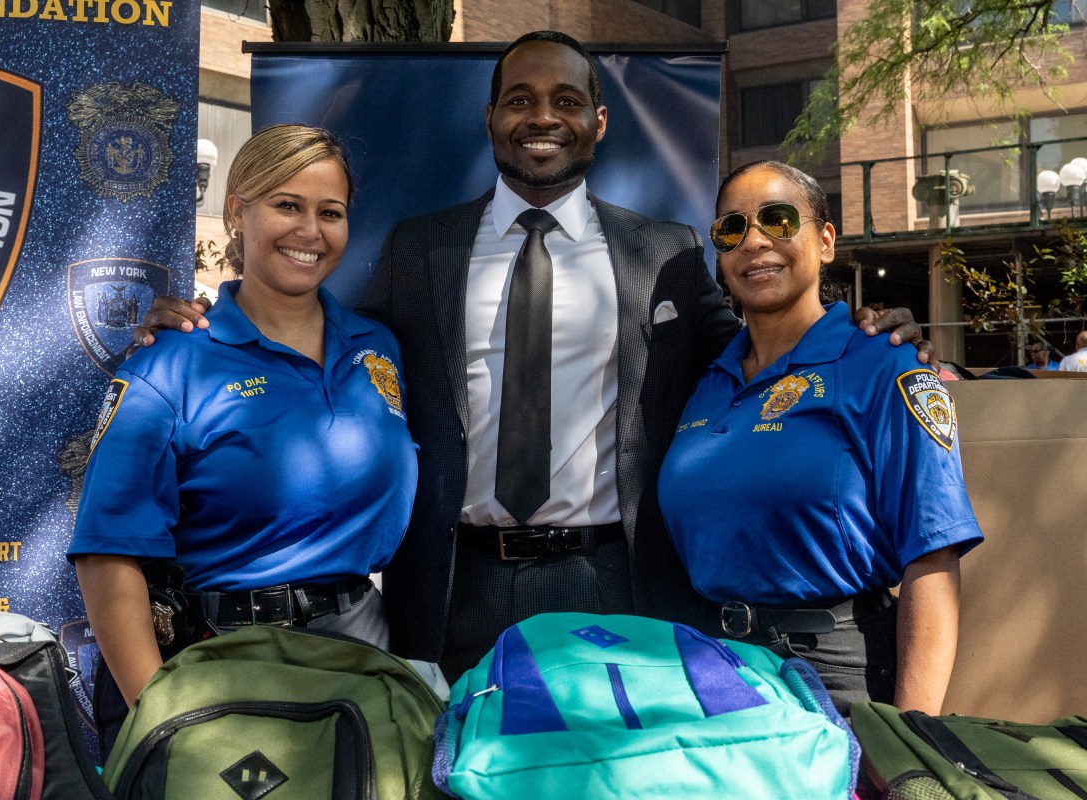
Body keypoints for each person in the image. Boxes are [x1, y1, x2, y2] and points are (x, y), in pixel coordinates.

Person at [136, 32, 929, 682]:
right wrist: (207, 317)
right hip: (454, 586)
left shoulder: (669, 255)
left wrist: (864, 331)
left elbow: (760, 354)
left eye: (565, 101)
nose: (541, 116)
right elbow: (320, 339)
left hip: (618, 581)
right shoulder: (422, 249)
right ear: (489, 120)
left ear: (600, 122)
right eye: (520, 99)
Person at [69, 125, 417, 734]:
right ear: (237, 212)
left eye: (329, 212)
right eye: (287, 205)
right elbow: (107, 555)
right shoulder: (170, 362)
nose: (310, 231)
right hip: (222, 667)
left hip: (363, 661)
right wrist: (162, 720)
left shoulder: (378, 348)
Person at [658, 160, 983, 716]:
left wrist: (909, 737)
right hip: (710, 672)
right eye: (731, 230)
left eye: (779, 220)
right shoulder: (708, 380)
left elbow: (932, 559)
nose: (755, 241)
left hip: (833, 676)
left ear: (827, 240)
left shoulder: (884, 364)